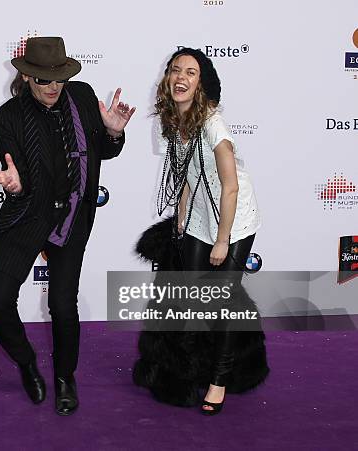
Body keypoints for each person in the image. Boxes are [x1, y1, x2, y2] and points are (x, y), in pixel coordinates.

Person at [0, 36, 135, 416]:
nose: (53, 87)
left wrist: (114, 132)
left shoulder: (83, 97)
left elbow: (104, 149)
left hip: (71, 216)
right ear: (27, 78)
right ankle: (26, 363)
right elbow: (15, 171)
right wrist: (15, 185)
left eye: (59, 80)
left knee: (63, 305)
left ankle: (66, 378)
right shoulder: (9, 117)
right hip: (27, 216)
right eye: (43, 81)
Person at [133, 48, 268, 415]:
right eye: (176, 70)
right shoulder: (170, 119)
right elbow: (187, 170)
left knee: (222, 302)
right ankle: (189, 367)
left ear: (201, 84)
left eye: (191, 72)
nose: (181, 77)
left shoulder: (214, 126)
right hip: (198, 213)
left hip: (233, 217)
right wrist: (181, 215)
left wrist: (223, 239)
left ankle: (219, 381)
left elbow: (230, 187)